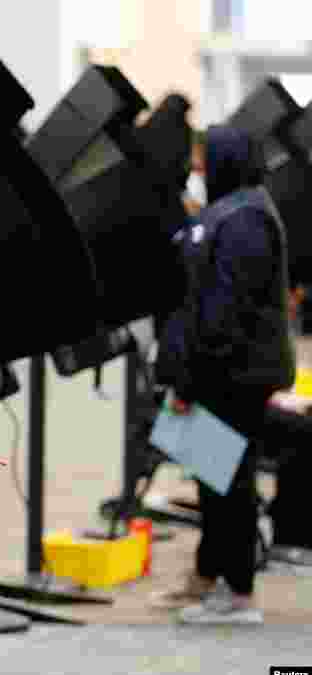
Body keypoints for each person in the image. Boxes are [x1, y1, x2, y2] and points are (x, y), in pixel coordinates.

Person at [151, 124, 295, 624]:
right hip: (223, 371)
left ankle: (237, 595)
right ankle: (209, 578)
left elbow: (224, 312)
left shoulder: (246, 220)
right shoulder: (237, 211)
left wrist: (190, 380)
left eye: (204, 159)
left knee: (229, 483)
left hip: (230, 376)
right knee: (214, 480)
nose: (197, 169)